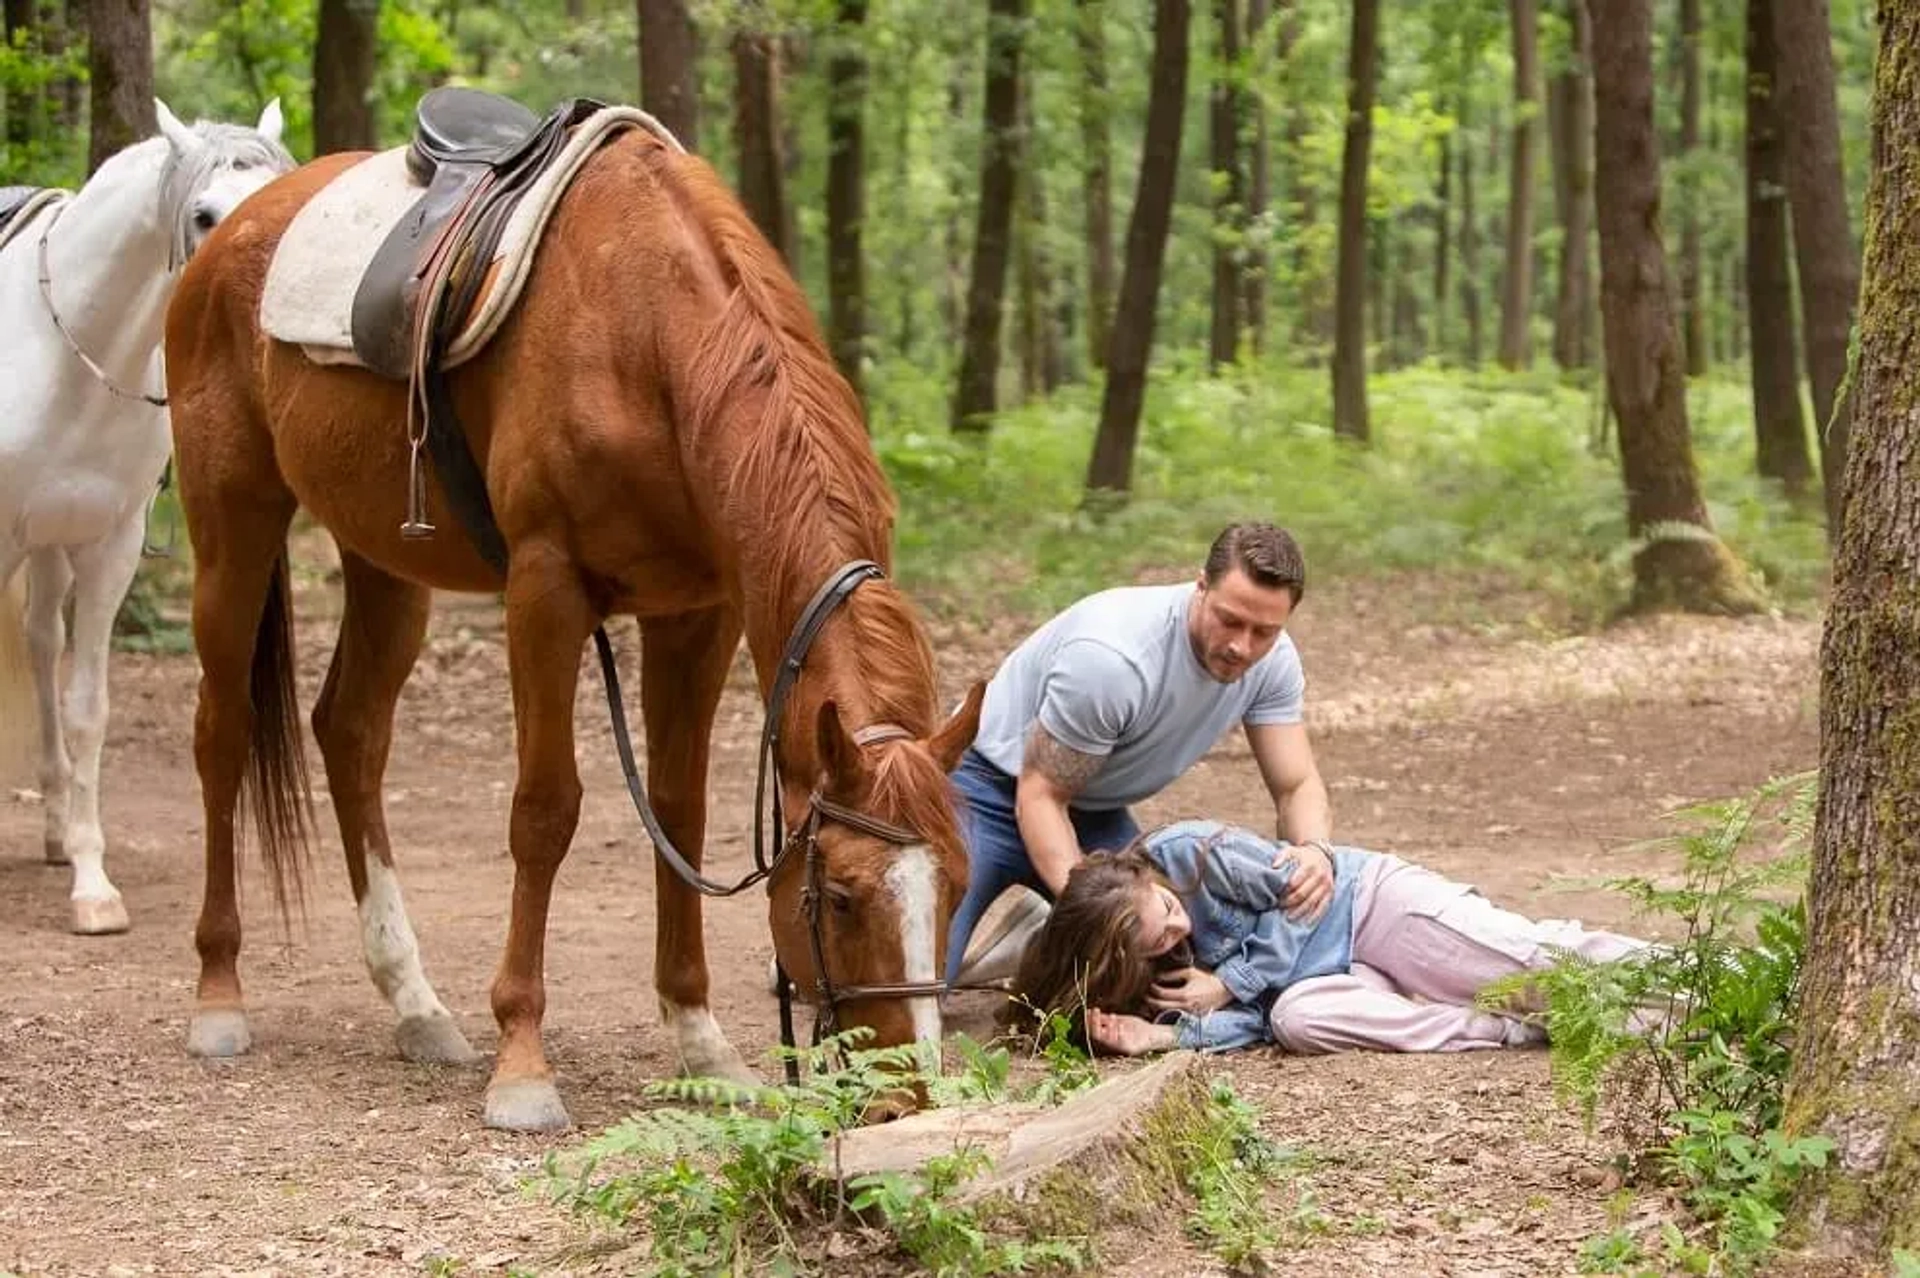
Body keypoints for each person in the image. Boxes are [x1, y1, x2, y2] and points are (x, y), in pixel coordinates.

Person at [946, 522, 1336, 988]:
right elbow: (1041, 797)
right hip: (984, 791)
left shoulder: (1273, 663)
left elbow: (1296, 786)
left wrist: (1314, 852)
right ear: (1200, 586)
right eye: (1229, 620)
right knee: (915, 984)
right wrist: (1098, 912)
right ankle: (1043, 926)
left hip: (1095, 813)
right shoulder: (1113, 659)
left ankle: (1032, 934)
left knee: (1170, 968)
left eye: (1264, 631)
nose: (1242, 646)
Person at [1010, 819, 1651, 1056]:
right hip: (1331, 979)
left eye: (1171, 910)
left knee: (1531, 966)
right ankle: (1502, 1031)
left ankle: (1708, 979)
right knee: (1296, 1020)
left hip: (1366, 908)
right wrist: (1169, 1036)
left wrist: (1230, 981)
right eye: (1159, 942)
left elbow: (1303, 899)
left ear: (1147, 879)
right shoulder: (1147, 979)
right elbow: (1260, 1023)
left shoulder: (1187, 852)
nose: (1179, 929)